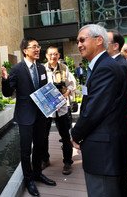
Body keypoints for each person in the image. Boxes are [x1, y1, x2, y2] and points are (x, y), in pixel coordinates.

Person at [71, 24, 127, 197]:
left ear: (98, 40)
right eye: (77, 42)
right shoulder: (102, 66)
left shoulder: (105, 68)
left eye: (82, 40)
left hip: (103, 155)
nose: (79, 45)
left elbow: (93, 110)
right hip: (105, 151)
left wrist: (75, 134)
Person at [1, 37, 56, 196]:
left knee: (40, 145)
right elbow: (7, 93)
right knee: (26, 150)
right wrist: (5, 80)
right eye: (34, 47)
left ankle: (38, 173)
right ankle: (29, 179)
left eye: (38, 46)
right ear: (25, 50)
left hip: (41, 115)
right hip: (25, 116)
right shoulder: (17, 69)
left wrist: (54, 101)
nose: (38, 49)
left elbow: (45, 90)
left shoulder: (41, 69)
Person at [107, 29, 127, 196]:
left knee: (119, 177)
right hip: (118, 127)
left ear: (115, 46)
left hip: (115, 129)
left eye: (105, 40)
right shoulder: (119, 63)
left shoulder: (117, 66)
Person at [43, 46, 75, 175]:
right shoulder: (41, 69)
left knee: (66, 136)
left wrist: (65, 94)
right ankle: (45, 159)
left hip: (61, 108)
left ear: (59, 55)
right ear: (46, 56)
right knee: (43, 136)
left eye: (55, 54)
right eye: (50, 54)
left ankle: (67, 162)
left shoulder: (64, 68)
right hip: (46, 109)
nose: (53, 57)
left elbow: (72, 84)